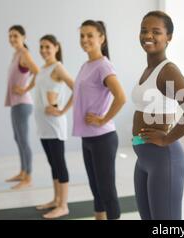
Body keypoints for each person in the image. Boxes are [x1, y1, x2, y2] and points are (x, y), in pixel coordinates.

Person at [132, 11, 184, 220]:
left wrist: (167, 138)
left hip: (164, 160)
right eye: (144, 30)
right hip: (144, 158)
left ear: (168, 37)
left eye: (156, 31)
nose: (148, 36)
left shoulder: (167, 71)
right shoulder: (149, 69)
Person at [73, 20, 126, 220]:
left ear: (101, 38)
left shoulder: (103, 65)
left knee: (107, 191)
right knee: (96, 188)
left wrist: (103, 119)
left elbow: (121, 97)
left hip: (103, 137)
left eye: (90, 35)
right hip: (88, 137)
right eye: (82, 36)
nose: (85, 39)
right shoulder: (87, 65)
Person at [33, 34, 74, 219]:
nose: (43, 50)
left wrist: (63, 110)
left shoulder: (58, 68)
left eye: (47, 47)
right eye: (41, 47)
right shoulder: (43, 68)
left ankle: (63, 205)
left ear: (56, 47)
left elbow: (77, 88)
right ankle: (56, 200)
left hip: (55, 126)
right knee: (52, 164)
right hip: (43, 126)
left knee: (59, 164)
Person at [5, 25, 40, 190]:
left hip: (23, 103)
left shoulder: (24, 54)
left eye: (15, 36)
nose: (12, 39)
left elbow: (38, 72)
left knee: (24, 140)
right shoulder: (16, 54)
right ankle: (22, 172)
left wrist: (25, 89)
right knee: (17, 138)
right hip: (15, 103)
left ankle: (28, 177)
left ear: (24, 37)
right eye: (10, 36)